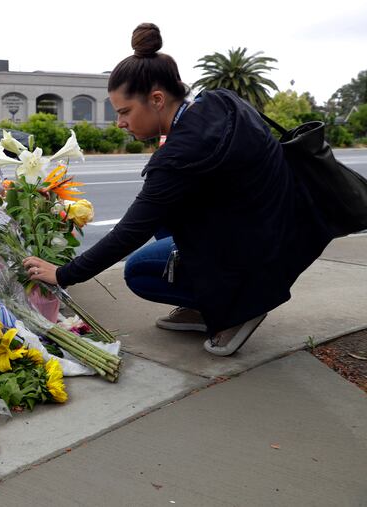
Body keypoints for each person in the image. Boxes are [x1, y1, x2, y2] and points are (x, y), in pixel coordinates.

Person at [23, 22, 332, 356]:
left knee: (139, 271)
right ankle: (212, 301)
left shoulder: (181, 155)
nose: (120, 122)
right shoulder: (220, 102)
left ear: (156, 99)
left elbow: (130, 231)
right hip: (287, 229)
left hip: (258, 253)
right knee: (164, 216)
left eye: (125, 111)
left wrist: (64, 274)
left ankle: (240, 308)